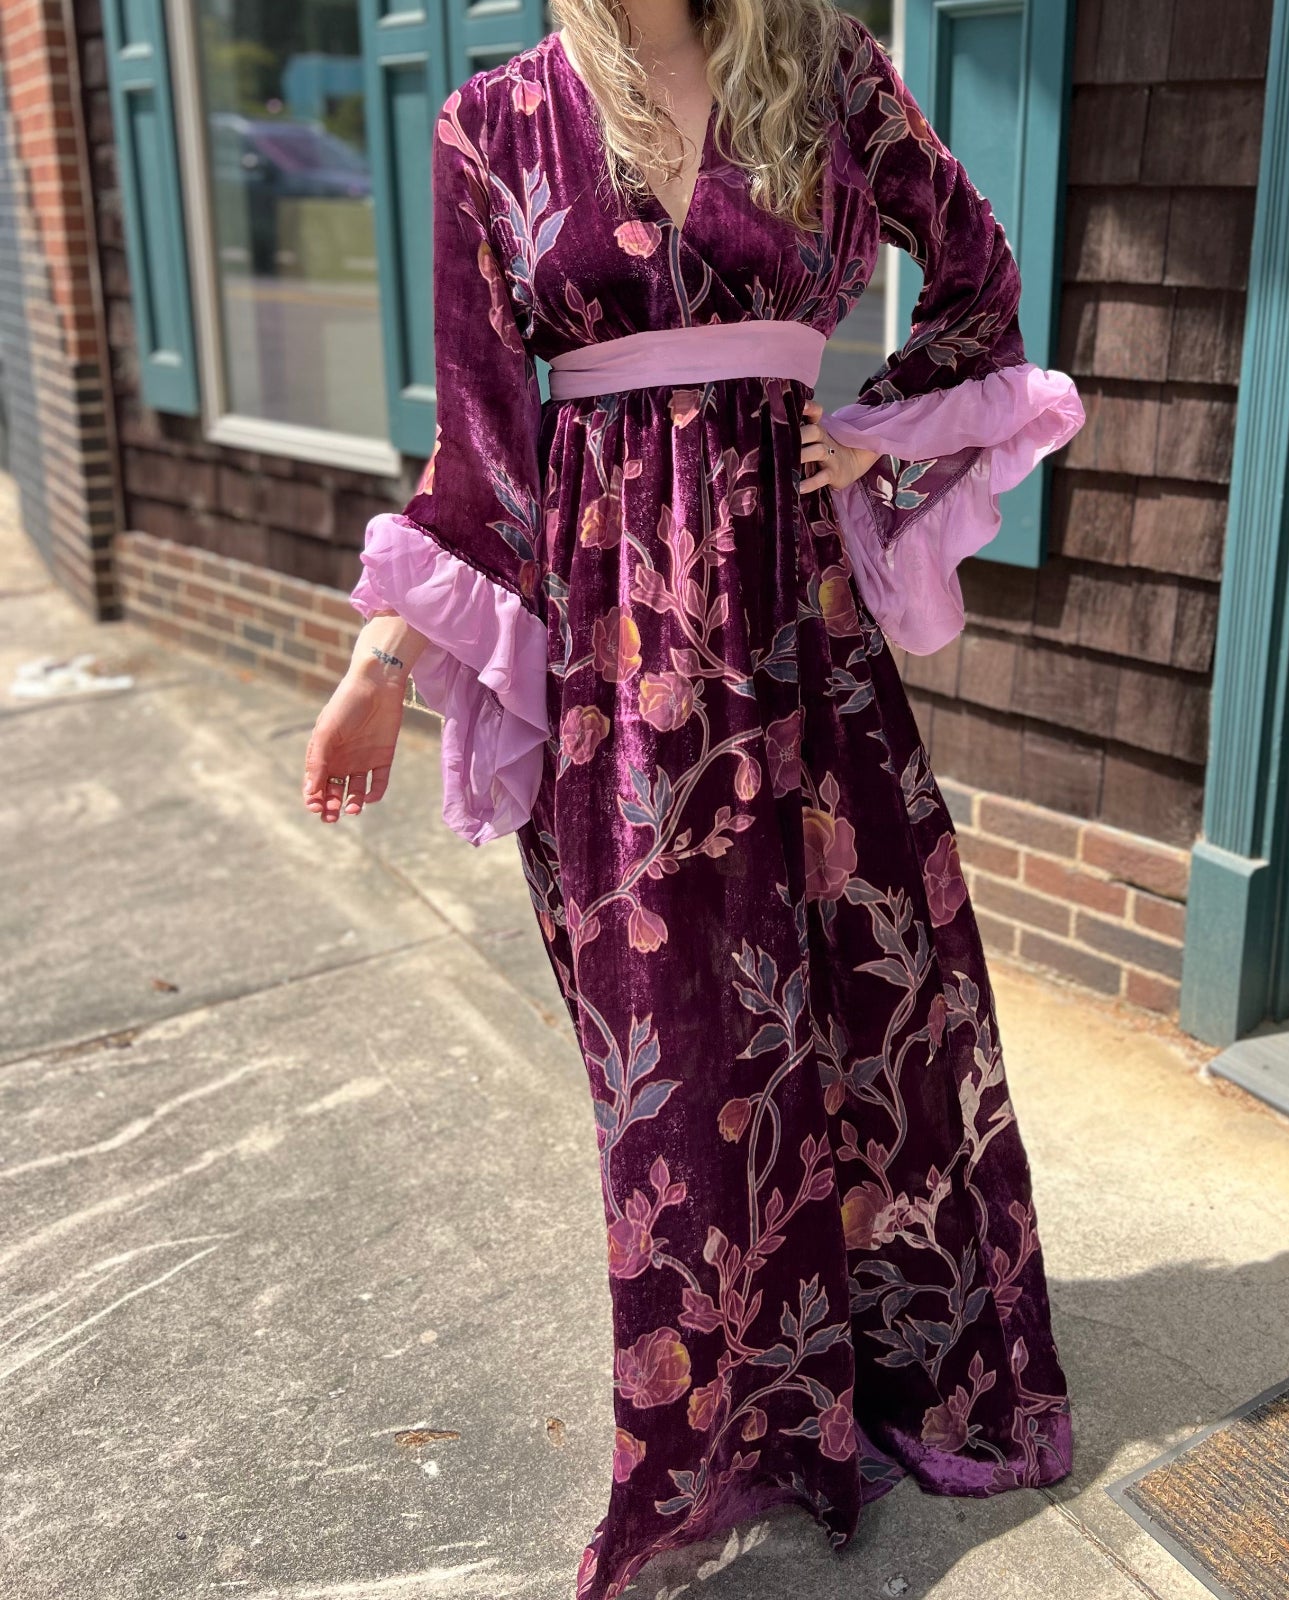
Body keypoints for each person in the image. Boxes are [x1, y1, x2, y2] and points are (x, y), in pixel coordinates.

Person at [302, 2, 1085, 1595]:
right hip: (615, 656)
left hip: (805, 632)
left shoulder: (829, 67)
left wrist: (874, 441)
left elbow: (979, 278)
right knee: (674, 1037)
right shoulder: (493, 125)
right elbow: (481, 442)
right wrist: (384, 656)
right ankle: (721, 1437)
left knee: (878, 1012)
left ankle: (897, 1375)